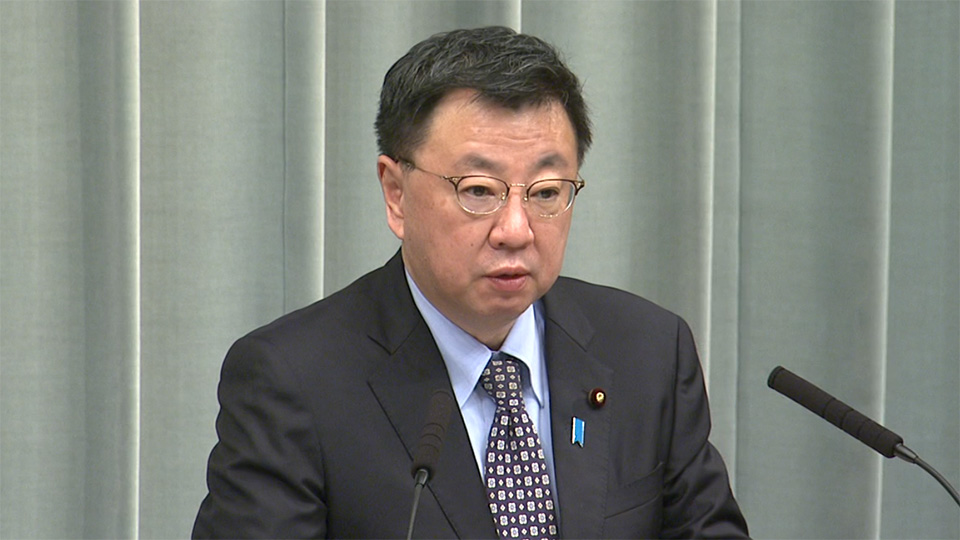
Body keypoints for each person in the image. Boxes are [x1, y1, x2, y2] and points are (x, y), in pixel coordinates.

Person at [193, 26, 749, 539]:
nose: (516, 230)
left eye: (546, 192)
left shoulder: (648, 353)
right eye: (479, 190)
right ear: (396, 193)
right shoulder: (294, 383)